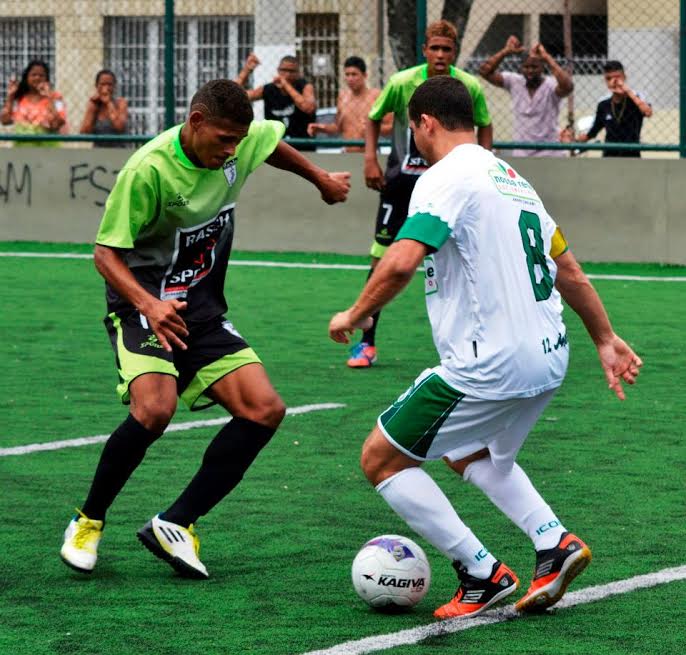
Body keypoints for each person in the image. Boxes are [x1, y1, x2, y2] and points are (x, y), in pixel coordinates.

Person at [329, 76, 642, 619]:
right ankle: (554, 542)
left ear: (425, 122)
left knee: (380, 458)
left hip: (487, 365)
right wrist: (605, 338)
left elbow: (402, 260)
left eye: (412, 129)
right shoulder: (514, 179)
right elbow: (567, 269)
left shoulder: (443, 177)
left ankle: (480, 572)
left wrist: (355, 315)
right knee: (471, 452)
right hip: (549, 357)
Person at [60, 79, 350, 579]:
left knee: (264, 410)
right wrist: (149, 305)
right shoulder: (149, 171)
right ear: (195, 123)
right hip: (143, 305)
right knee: (155, 409)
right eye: (223, 139)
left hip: (201, 310)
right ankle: (88, 521)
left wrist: (319, 177)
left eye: (238, 139)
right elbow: (105, 254)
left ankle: (175, 524)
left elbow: (267, 141)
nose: (232, 150)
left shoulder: (238, 142)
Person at [350, 19, 493, 369]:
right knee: (382, 259)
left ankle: (481, 342)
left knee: (471, 258)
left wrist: (486, 164)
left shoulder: (468, 86)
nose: (441, 55)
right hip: (401, 184)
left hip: (453, 187)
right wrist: (370, 159)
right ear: (425, 50)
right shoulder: (402, 83)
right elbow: (372, 117)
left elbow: (485, 124)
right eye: (435, 48)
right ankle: (366, 342)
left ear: (454, 52)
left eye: (447, 49)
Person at [479, 36, 573, 157]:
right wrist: (506, 51)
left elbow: (568, 86)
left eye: (534, 67)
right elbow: (484, 71)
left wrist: (546, 58)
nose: (530, 71)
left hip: (549, 150)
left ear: (542, 67)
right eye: (526, 67)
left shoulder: (551, 85)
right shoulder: (514, 81)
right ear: (521, 67)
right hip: (522, 150)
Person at [307, 56, 392, 153]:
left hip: (370, 153)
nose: (350, 78)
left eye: (354, 74)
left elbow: (391, 126)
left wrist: (372, 129)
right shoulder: (342, 97)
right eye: (347, 74)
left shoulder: (376, 96)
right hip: (347, 152)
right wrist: (321, 128)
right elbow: (338, 128)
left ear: (365, 75)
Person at [571, 60, 652, 158]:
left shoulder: (636, 98)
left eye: (617, 78)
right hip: (609, 154)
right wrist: (574, 141)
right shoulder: (603, 104)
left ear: (624, 77)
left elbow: (648, 112)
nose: (613, 82)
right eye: (609, 78)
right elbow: (594, 130)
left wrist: (627, 91)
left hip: (631, 154)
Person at [236, 53, 317, 150]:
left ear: (298, 73)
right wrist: (247, 70)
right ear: (278, 70)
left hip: (302, 145)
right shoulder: (268, 89)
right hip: (275, 146)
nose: (287, 74)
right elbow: (235, 95)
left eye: (291, 71)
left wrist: (286, 85)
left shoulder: (305, 87)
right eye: (283, 70)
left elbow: (308, 108)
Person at [0, 59, 67, 146]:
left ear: (46, 78)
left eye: (41, 75)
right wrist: (10, 96)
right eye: (33, 75)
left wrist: (49, 98)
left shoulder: (56, 97)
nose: (37, 78)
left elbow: (57, 124)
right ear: (27, 77)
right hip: (22, 149)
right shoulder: (19, 98)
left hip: (48, 149)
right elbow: (5, 120)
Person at [79, 69, 129, 147]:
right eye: (102, 84)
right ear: (96, 86)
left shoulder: (121, 103)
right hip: (99, 152)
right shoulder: (94, 104)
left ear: (114, 86)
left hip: (119, 151)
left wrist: (108, 103)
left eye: (109, 84)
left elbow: (120, 127)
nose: (106, 88)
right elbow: (84, 132)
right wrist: (92, 109)